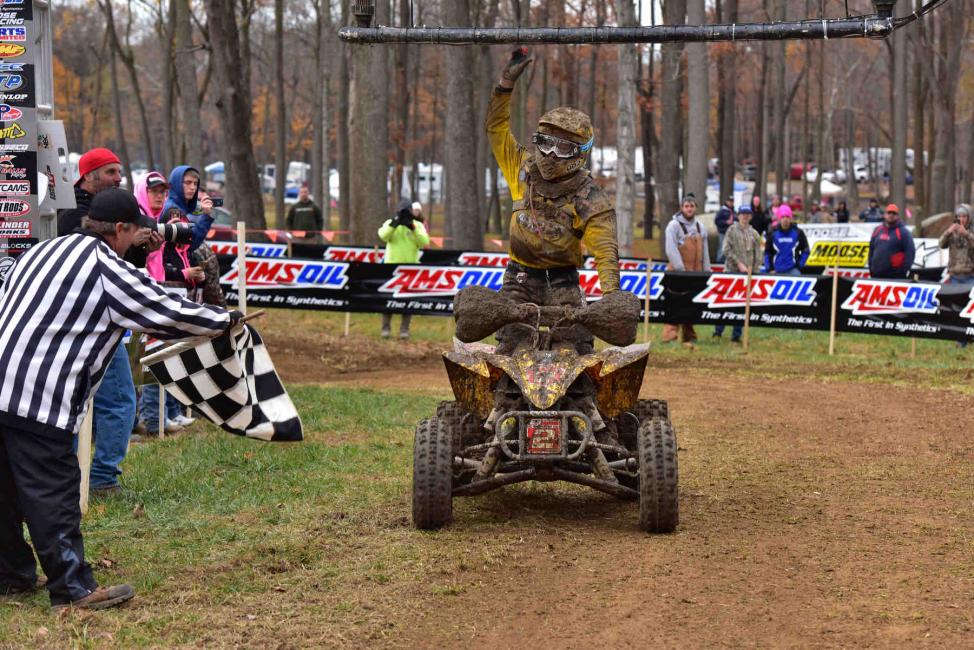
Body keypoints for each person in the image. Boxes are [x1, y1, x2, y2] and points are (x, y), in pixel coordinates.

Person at [0, 188, 238, 610]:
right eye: (136, 231)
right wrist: (222, 318)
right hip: (39, 397)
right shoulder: (104, 266)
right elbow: (161, 309)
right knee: (52, 493)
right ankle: (73, 590)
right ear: (123, 228)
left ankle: (10, 575)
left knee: (5, 491)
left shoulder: (42, 251)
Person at [485, 48, 621, 355]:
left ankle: (582, 400)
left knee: (576, 346)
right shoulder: (522, 168)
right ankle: (504, 401)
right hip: (518, 278)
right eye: (544, 143)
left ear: (579, 152)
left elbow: (605, 250)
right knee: (509, 346)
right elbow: (496, 130)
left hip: (564, 283)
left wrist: (611, 296)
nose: (549, 155)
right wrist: (505, 84)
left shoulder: (589, 196)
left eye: (562, 148)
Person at [57, 151, 163, 495]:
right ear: (88, 175)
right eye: (111, 172)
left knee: (85, 402)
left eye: (120, 171)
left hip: (87, 322)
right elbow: (99, 266)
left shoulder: (77, 208)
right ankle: (99, 478)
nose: (119, 177)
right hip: (86, 323)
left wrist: (140, 249)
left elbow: (117, 265)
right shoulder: (73, 212)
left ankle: (79, 478)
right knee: (115, 399)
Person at [137, 172, 196, 434]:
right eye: (154, 191)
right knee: (150, 357)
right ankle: (152, 419)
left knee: (167, 354)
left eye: (163, 191)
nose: (160, 195)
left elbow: (185, 246)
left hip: (159, 289)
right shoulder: (138, 221)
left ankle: (164, 413)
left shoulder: (158, 221)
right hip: (140, 293)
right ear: (143, 192)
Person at [377, 199, 430, 339]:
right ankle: (385, 329)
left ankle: (404, 330)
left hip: (410, 268)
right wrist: (395, 223)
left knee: (408, 299)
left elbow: (425, 242)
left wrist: (412, 229)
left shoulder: (417, 225)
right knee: (387, 298)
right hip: (391, 266)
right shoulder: (391, 223)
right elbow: (382, 236)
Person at [663, 194, 710, 345]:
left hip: (695, 273)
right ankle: (670, 336)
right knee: (674, 305)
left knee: (691, 305)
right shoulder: (673, 226)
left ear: (696, 208)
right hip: (677, 274)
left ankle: (689, 336)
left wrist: (706, 271)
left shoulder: (700, 227)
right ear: (682, 208)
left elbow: (705, 251)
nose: (689, 209)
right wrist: (680, 271)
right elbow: (670, 250)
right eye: (686, 206)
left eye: (692, 206)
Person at [713, 205, 763, 343]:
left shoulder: (754, 234)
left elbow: (758, 255)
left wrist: (755, 271)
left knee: (741, 306)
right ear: (738, 215)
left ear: (751, 216)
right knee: (724, 304)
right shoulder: (731, 230)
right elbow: (726, 250)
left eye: (748, 213)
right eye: (743, 213)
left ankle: (736, 336)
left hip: (747, 276)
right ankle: (718, 332)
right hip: (731, 273)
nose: (745, 216)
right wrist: (738, 263)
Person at [940, 204, 974, 347]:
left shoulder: (971, 231)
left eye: (964, 216)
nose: (961, 219)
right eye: (959, 216)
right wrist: (948, 232)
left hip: (970, 276)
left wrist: (965, 233)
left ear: (969, 217)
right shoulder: (952, 231)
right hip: (954, 275)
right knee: (956, 309)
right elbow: (941, 244)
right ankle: (960, 340)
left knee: (970, 310)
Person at [868, 204, 915, 279]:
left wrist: (903, 271)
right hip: (876, 275)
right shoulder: (877, 230)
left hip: (895, 277)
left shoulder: (904, 232)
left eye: (894, 213)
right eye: (889, 213)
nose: (891, 215)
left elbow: (910, 253)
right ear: (885, 215)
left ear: (898, 216)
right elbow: (871, 250)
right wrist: (871, 268)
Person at [764, 205, 809, 275]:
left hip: (793, 270)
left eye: (787, 217)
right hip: (775, 271)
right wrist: (769, 269)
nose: (785, 219)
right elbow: (767, 253)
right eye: (783, 217)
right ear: (779, 219)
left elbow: (806, 250)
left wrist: (800, 265)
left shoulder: (798, 232)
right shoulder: (772, 233)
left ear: (791, 218)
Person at [714, 194, 735, 263]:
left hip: (731, 233)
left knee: (729, 248)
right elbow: (717, 221)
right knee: (722, 248)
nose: (731, 203)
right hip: (723, 232)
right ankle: (719, 261)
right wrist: (726, 222)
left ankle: (727, 262)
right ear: (727, 202)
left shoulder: (733, 211)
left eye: (732, 201)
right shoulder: (722, 210)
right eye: (729, 201)